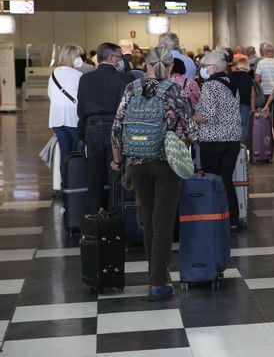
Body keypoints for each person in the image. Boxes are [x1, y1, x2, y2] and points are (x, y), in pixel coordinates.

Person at [111, 46, 197, 302]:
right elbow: (191, 129)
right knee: (163, 221)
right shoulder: (175, 90)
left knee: (148, 218)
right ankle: (157, 282)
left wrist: (118, 162)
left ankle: (155, 274)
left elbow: (117, 128)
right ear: (170, 66)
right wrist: (182, 145)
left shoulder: (132, 89)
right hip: (166, 162)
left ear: (145, 63)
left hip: (136, 162)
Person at [78, 43, 133, 213]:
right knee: (116, 173)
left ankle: (93, 219)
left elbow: (81, 110)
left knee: (94, 178)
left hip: (92, 129)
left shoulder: (85, 79)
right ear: (110, 58)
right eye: (119, 57)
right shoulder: (124, 79)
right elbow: (126, 109)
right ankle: (114, 216)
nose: (121, 60)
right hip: (115, 129)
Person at [194, 51, 243, 226]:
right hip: (232, 139)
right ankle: (233, 218)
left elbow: (208, 114)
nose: (202, 69)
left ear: (213, 68)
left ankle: (215, 217)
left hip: (213, 140)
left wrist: (191, 117)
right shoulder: (232, 83)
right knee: (227, 180)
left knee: (212, 180)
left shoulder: (210, 85)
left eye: (204, 66)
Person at [48, 44, 85, 182]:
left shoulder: (53, 73)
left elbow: (51, 95)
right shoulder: (78, 75)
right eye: (78, 56)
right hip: (73, 120)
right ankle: (76, 185)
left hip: (56, 120)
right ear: (71, 57)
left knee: (65, 154)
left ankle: (64, 186)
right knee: (76, 155)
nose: (80, 59)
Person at [254, 42, 274, 131]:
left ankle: (267, 136)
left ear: (264, 52)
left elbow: (257, 78)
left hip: (266, 93)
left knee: (266, 115)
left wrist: (262, 82)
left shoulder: (261, 63)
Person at [228, 57, 256, 145]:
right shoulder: (249, 77)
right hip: (245, 105)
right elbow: (252, 95)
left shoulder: (231, 76)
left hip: (232, 105)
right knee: (244, 126)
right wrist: (253, 108)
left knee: (232, 125)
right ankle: (242, 147)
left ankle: (232, 145)